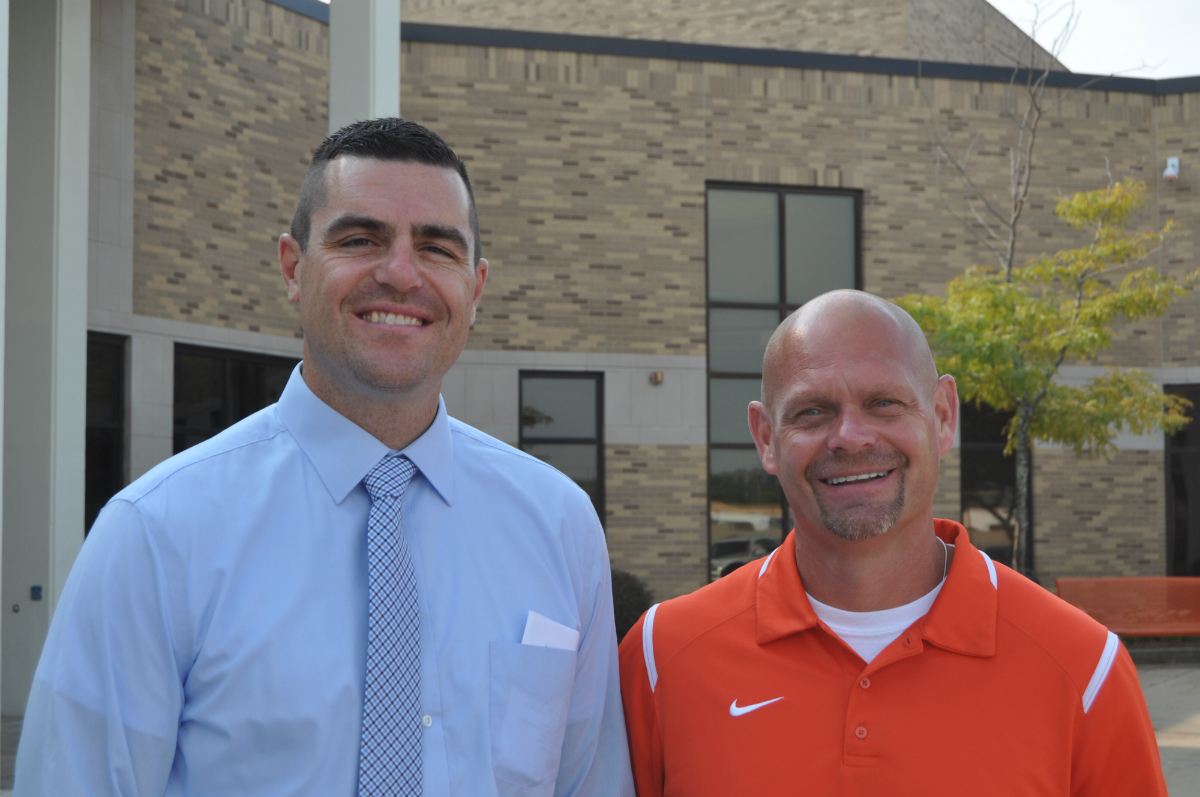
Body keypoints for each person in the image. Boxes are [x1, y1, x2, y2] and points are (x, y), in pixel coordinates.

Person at [16, 118, 633, 796]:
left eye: (437, 247)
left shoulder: (559, 527)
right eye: (360, 239)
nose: (400, 273)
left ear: (476, 287)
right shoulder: (157, 532)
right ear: (292, 266)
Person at [619, 290, 1165, 796]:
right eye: (813, 411)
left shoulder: (1084, 667)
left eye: (884, 402)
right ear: (766, 438)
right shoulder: (660, 657)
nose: (850, 437)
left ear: (943, 416)